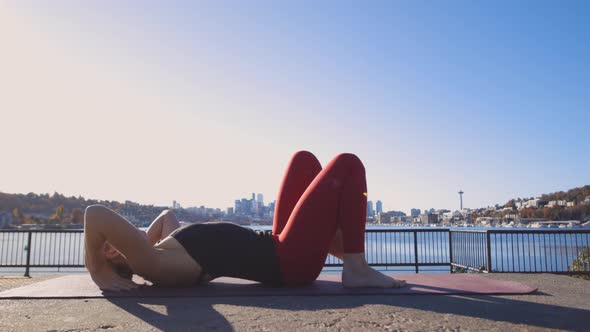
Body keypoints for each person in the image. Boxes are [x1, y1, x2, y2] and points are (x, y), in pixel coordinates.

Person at [84, 151, 406, 291]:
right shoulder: (152, 264)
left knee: (303, 160)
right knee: (347, 163)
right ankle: (355, 266)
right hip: (289, 263)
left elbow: (167, 216)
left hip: (278, 244)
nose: (111, 243)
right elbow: (95, 214)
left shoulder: (160, 249)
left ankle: (338, 247)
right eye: (110, 250)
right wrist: (98, 271)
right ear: (124, 264)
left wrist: (144, 238)